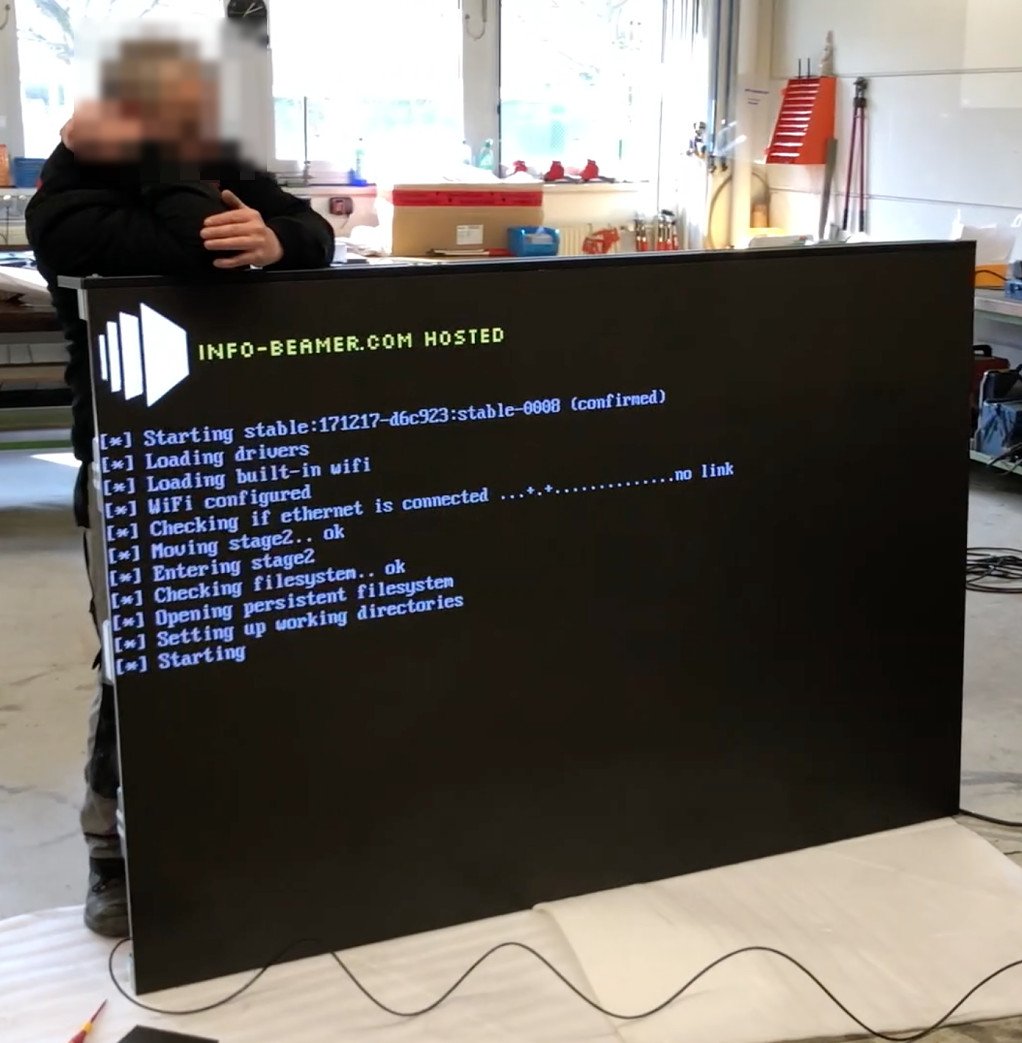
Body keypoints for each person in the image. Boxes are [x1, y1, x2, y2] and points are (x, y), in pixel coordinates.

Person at [25, 32, 334, 939]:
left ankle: (234, 825)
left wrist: (276, 238)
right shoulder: (66, 200)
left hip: (239, 452)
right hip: (134, 466)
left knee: (249, 648)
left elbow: (313, 235)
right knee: (135, 663)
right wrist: (174, 172)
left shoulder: (224, 167)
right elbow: (194, 248)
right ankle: (109, 851)